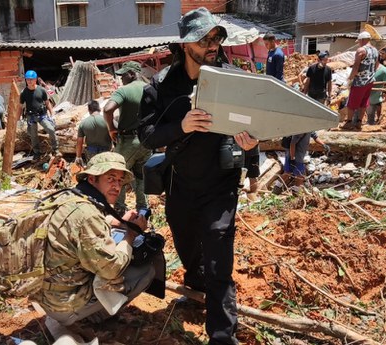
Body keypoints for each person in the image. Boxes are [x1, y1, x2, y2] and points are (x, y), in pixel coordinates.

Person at [138, 7, 259, 345]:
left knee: (219, 258)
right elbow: (147, 135)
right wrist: (181, 126)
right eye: (205, 39)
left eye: (216, 38)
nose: (213, 45)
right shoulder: (161, 87)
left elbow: (252, 123)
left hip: (220, 186)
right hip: (180, 186)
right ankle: (196, 293)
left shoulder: (233, 80)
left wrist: (253, 156)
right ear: (185, 43)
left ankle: (222, 335)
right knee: (189, 248)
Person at [38, 152, 155, 328]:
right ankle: (94, 317)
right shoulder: (88, 215)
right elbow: (111, 269)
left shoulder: (67, 196)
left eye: (119, 180)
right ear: (92, 179)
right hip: (63, 306)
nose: (117, 186)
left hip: (45, 294)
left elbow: (78, 222)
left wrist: (116, 221)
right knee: (146, 269)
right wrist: (131, 234)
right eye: (110, 178)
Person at [103, 61, 152, 213]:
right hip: (147, 140)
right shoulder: (150, 88)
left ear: (131, 74)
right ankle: (143, 210)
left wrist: (111, 128)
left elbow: (107, 109)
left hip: (128, 141)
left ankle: (119, 210)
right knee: (141, 176)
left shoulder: (124, 90)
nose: (121, 79)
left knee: (118, 175)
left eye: (123, 75)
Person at [343, 31, 379, 130]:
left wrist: (350, 78)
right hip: (370, 80)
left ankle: (349, 122)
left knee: (352, 103)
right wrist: (371, 74)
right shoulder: (376, 50)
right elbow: (377, 65)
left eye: (359, 41)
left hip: (360, 81)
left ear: (362, 40)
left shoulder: (361, 51)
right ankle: (359, 122)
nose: (358, 43)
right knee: (364, 102)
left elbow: (356, 67)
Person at [20, 70, 57, 160]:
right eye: (28, 79)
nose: (29, 81)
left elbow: (47, 103)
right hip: (31, 117)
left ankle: (55, 149)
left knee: (51, 129)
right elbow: (20, 107)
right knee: (33, 135)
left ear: (36, 79)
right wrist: (19, 119)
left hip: (42, 116)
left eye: (31, 79)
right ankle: (37, 152)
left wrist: (52, 114)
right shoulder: (24, 92)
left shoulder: (41, 90)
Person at [76, 100, 112, 165]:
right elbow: (117, 133)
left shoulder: (83, 123)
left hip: (91, 153)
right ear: (100, 109)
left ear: (89, 110)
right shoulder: (107, 120)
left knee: (93, 170)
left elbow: (79, 142)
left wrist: (78, 156)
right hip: (106, 152)